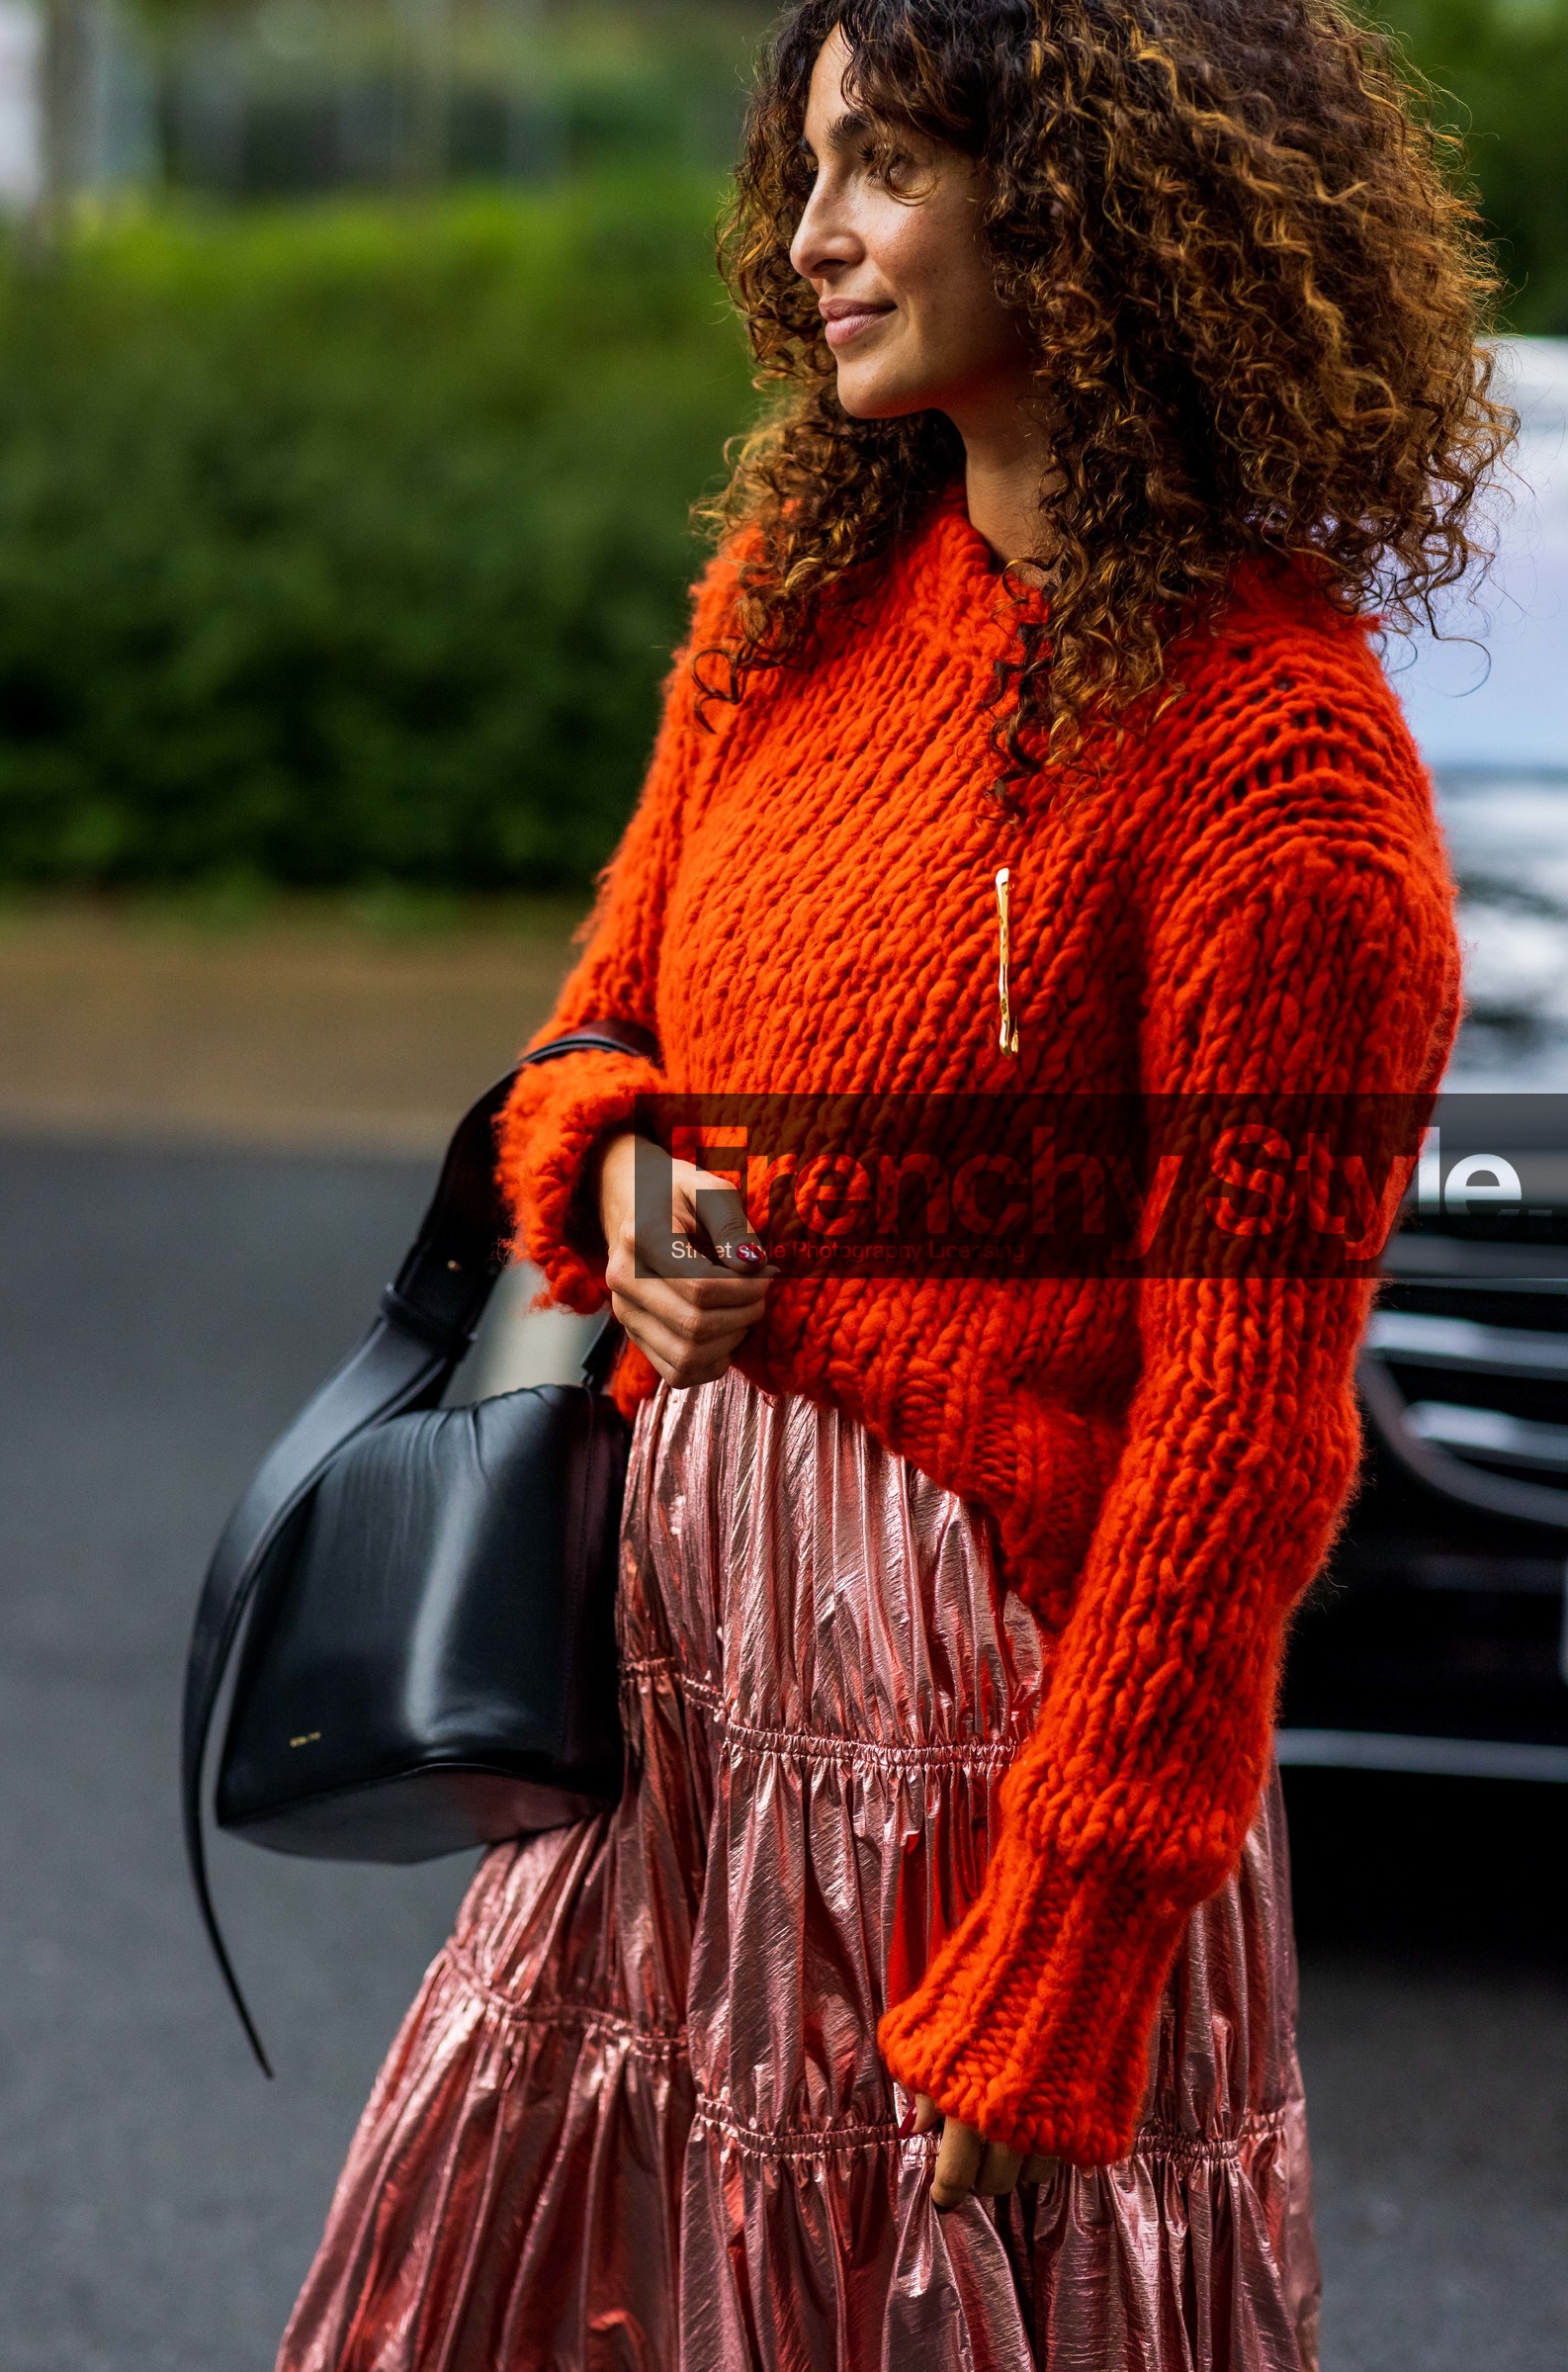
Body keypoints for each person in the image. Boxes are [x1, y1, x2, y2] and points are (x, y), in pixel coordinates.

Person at [277, 2, 1501, 2364]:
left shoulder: (1280, 779)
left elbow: (1239, 1443)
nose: (810, 235)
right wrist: (613, 1177)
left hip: (968, 1761)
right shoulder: (784, 607)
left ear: (1099, 213)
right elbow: (584, 1033)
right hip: (667, 1723)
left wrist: (1070, 1950)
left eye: (886, 167)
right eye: (809, 166)